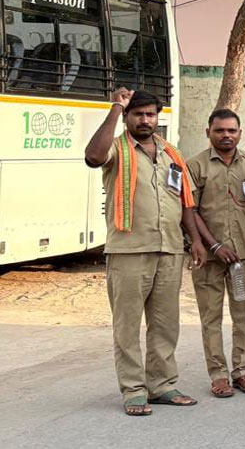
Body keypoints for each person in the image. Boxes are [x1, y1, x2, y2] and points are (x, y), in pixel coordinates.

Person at [83, 88, 203, 416]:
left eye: (150, 114)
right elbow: (93, 157)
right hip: (129, 250)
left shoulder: (171, 153)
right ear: (127, 117)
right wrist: (115, 107)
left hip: (170, 248)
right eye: (138, 114)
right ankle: (134, 390)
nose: (145, 120)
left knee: (165, 324)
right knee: (127, 325)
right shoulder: (116, 148)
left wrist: (195, 240)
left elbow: (185, 202)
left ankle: (162, 385)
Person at [186, 108, 245, 399]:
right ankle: (219, 375)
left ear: (240, 133)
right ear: (208, 132)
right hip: (208, 257)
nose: (226, 135)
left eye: (231, 130)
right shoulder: (195, 166)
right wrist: (214, 245)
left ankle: (241, 371)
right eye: (220, 130)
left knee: (243, 315)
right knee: (210, 318)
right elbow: (190, 210)